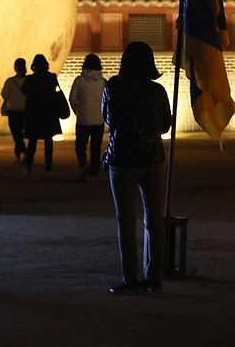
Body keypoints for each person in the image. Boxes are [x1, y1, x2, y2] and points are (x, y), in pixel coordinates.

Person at [103, 42, 172, 294]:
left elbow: (108, 119)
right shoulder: (157, 90)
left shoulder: (113, 87)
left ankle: (130, 278)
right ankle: (153, 277)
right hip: (152, 158)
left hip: (122, 160)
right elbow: (165, 125)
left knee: (126, 220)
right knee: (154, 220)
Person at [21, 54, 62, 175]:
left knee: (32, 141)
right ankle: (48, 166)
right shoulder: (52, 77)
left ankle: (29, 166)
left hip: (34, 112)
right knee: (48, 140)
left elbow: (23, 91)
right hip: (49, 112)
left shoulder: (30, 79)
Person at [69, 54, 107, 183]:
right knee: (95, 148)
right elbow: (107, 100)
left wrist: (78, 111)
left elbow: (72, 99)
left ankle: (84, 165)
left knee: (80, 145)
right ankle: (94, 174)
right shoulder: (103, 82)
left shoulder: (79, 80)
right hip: (98, 120)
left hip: (83, 119)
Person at [0, 58, 27, 163]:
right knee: (20, 134)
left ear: (15, 68)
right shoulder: (28, 80)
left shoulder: (10, 81)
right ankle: (19, 155)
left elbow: (4, 95)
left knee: (16, 134)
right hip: (25, 110)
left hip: (13, 110)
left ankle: (24, 152)